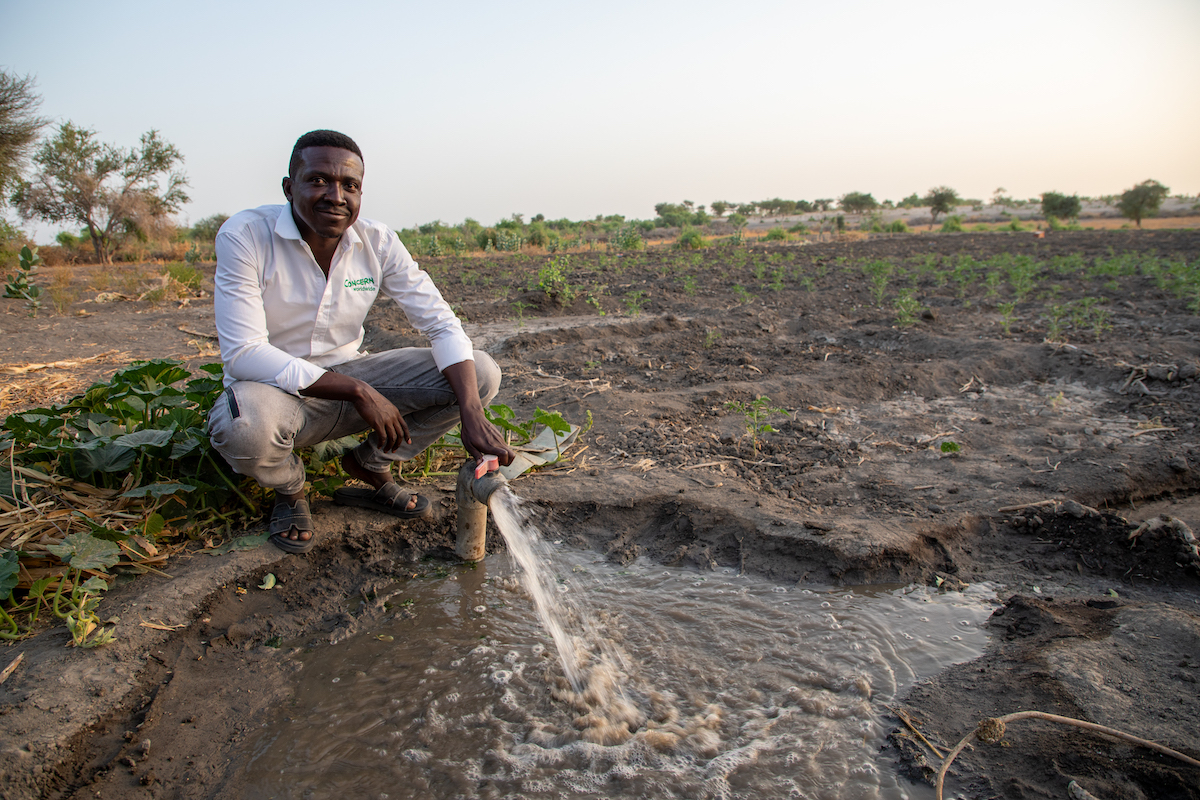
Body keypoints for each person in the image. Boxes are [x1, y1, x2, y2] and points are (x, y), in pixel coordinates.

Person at [207, 129, 514, 554]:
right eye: (318, 180)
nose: (336, 195)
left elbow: (442, 326)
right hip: (274, 391)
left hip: (350, 378)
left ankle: (368, 465)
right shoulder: (245, 235)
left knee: (478, 373)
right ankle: (292, 489)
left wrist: (471, 412)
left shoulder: (377, 242)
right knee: (243, 429)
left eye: (349, 185)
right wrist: (357, 390)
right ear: (288, 187)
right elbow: (244, 353)